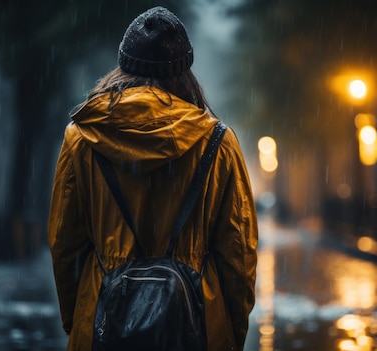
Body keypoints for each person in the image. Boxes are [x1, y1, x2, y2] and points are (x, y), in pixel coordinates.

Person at [48, 6, 258, 351]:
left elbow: (64, 243)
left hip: (100, 321)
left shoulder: (81, 139)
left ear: (124, 64)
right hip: (198, 326)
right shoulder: (218, 142)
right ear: (183, 71)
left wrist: (80, 318)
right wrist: (231, 331)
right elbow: (239, 253)